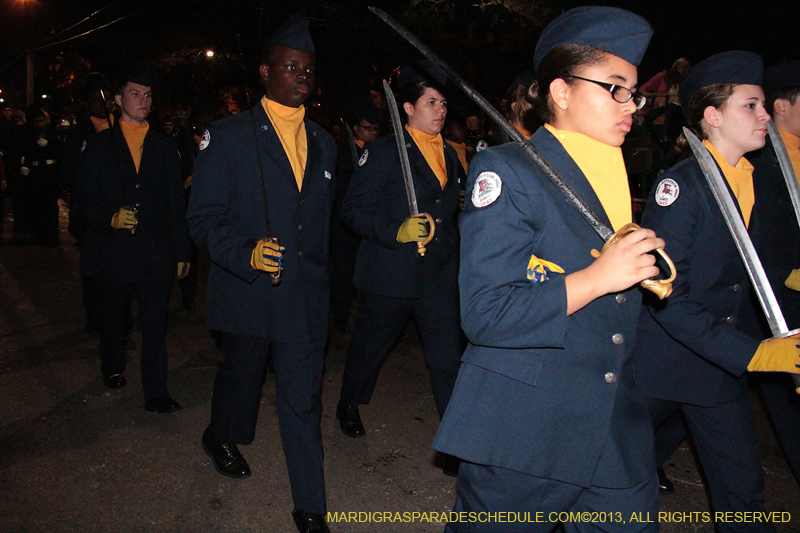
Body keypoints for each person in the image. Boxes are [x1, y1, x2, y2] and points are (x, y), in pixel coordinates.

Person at [433, 7, 666, 530]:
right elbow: (486, 313)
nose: (631, 105)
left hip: (613, 428)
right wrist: (598, 278)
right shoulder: (508, 172)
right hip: (526, 425)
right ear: (561, 91)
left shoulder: (612, 171)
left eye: (634, 93)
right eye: (616, 88)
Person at [635, 51, 800, 529]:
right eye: (751, 105)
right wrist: (754, 355)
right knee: (603, 473)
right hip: (662, 367)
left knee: (743, 489)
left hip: (717, 368)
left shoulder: (754, 179)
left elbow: (748, 274)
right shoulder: (681, 187)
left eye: (763, 105)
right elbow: (667, 295)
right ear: (712, 116)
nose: (764, 115)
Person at [186, 17, 336, 533]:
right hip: (249, 289)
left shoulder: (324, 142)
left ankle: (310, 506)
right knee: (242, 375)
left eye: (308, 68)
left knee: (303, 400)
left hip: (303, 298)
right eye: (291, 66)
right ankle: (220, 434)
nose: (302, 75)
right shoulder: (228, 137)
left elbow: (321, 228)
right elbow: (202, 219)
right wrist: (244, 252)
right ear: (265, 72)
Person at [336, 61, 463, 461]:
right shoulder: (383, 153)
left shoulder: (451, 154)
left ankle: (454, 438)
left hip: (438, 275)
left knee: (447, 358)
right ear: (408, 108)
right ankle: (349, 401)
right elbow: (352, 211)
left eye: (443, 103)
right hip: (390, 274)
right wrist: (397, 230)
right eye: (431, 102)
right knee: (370, 348)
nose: (440, 110)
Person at [74, 64, 190, 414]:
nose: (144, 100)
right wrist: (109, 219)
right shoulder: (100, 146)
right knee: (114, 317)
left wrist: (182, 251)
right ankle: (112, 365)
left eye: (148, 94)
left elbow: (175, 203)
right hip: (113, 251)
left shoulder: (164, 147)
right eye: (136, 93)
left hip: (154, 252)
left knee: (155, 324)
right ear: (118, 99)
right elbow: (83, 202)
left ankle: (156, 391)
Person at [742, 60, 800, 489]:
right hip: (770, 302)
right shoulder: (763, 161)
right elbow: (754, 238)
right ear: (783, 106)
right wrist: (790, 275)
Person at [330, 99, 379, 333]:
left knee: (369, 274)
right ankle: (340, 317)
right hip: (345, 226)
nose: (373, 133)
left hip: (370, 223)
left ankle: (370, 318)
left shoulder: (380, 153)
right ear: (356, 128)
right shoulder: (341, 155)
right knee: (344, 273)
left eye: (375, 128)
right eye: (368, 128)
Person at [16, 105, 60, 247]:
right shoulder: (26, 133)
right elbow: (20, 150)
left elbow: (59, 151)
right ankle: (37, 233)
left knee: (49, 204)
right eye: (36, 121)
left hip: (48, 171)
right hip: (34, 172)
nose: (38, 124)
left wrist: (49, 146)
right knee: (35, 203)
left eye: (40, 121)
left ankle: (50, 235)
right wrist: (23, 165)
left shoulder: (51, 132)